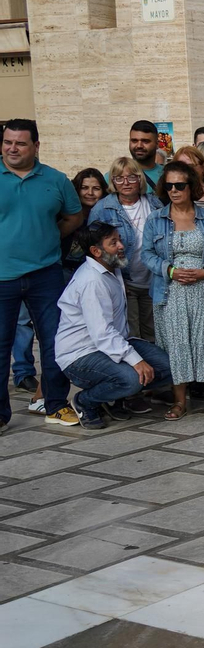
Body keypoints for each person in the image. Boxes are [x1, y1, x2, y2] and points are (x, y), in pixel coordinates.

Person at [0, 118, 84, 431]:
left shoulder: (56, 179)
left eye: (20, 143)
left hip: (45, 274)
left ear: (36, 146)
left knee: (55, 342)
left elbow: (74, 216)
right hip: (2, 277)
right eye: (7, 142)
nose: (12, 148)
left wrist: (48, 238)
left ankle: (55, 404)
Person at [56, 222, 173, 429]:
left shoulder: (112, 268)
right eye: (113, 243)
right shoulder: (92, 281)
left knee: (169, 367)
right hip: (81, 354)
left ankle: (114, 397)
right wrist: (136, 360)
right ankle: (86, 401)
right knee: (131, 378)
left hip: (111, 345)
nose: (121, 246)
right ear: (96, 251)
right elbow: (102, 333)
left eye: (119, 240)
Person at [145, 160, 204, 419]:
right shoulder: (155, 219)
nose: (174, 190)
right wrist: (170, 271)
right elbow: (146, 253)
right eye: (169, 186)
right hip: (171, 291)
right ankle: (180, 401)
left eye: (179, 185)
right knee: (177, 344)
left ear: (191, 186)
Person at [90, 158, 157, 349]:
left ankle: (155, 367)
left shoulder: (154, 203)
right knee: (131, 335)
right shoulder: (102, 208)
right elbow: (94, 250)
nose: (126, 183)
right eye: (119, 178)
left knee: (155, 334)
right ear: (112, 181)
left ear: (140, 178)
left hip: (153, 280)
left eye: (131, 177)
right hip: (124, 282)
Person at [60, 168, 108, 276]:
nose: (90, 193)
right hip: (62, 269)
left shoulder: (107, 217)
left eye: (96, 188)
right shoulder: (63, 214)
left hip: (92, 272)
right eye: (84, 188)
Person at [128, 120, 163, 189]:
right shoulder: (114, 176)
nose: (139, 146)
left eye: (145, 141)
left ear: (157, 144)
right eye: (134, 141)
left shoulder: (168, 175)